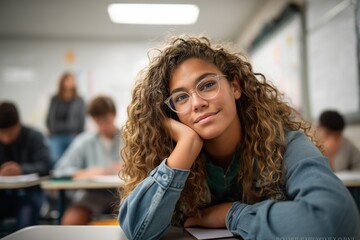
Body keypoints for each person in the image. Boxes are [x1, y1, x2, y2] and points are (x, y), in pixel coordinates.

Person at [118, 36, 360, 239]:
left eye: (207, 84)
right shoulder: (172, 153)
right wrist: (186, 146)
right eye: (181, 98)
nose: (198, 103)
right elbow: (138, 231)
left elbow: (335, 219)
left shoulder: (285, 143)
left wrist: (231, 214)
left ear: (235, 86)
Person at [53, 95, 123, 225]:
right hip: (94, 195)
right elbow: (59, 170)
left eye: (106, 120)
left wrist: (129, 169)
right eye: (98, 121)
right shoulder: (84, 141)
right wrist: (87, 173)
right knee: (70, 221)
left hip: (124, 195)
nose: (103, 125)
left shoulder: (130, 139)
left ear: (114, 115)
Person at [0, 102, 51, 231]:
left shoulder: (35, 137)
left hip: (29, 195)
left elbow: (46, 166)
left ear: (19, 124)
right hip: (2, 195)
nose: (6, 139)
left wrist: (21, 170)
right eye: (2, 134)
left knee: (26, 221)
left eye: (11, 133)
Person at [46, 71, 85, 167]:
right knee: (55, 160)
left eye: (72, 80)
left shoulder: (79, 100)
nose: (70, 82)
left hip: (72, 135)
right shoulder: (55, 99)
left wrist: (80, 135)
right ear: (62, 82)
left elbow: (82, 119)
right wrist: (51, 130)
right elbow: (49, 117)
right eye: (68, 80)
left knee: (73, 161)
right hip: (56, 135)